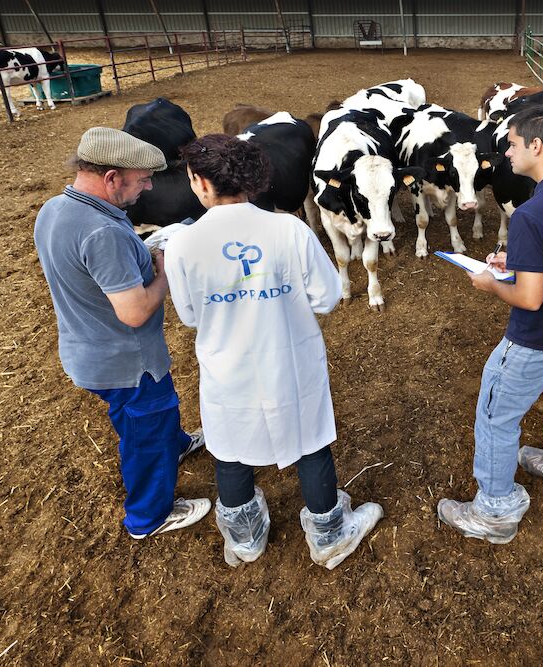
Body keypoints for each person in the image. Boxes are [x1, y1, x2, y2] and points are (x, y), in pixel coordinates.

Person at [164, 134, 383, 569]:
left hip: (228, 367)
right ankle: (330, 534)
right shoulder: (289, 229)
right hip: (291, 359)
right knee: (310, 440)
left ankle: (245, 541)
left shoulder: (183, 244)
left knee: (230, 445)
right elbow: (324, 298)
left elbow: (189, 315)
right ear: (249, 180)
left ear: (201, 183)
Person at [437, 106, 543, 544]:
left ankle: (494, 511)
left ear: (536, 146)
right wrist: (515, 262)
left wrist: (489, 283)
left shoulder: (532, 213)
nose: (507, 155)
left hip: (538, 338)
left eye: (512, 145)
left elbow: (530, 298)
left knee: (495, 415)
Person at [34, 127, 210, 540]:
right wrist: (163, 273)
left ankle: (177, 443)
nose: (148, 187)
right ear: (112, 178)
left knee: (138, 418)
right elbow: (134, 313)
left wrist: (140, 254)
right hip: (127, 361)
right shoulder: (105, 233)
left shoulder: (55, 208)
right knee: (145, 430)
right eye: (142, 179)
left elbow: (90, 272)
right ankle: (148, 517)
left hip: (85, 347)